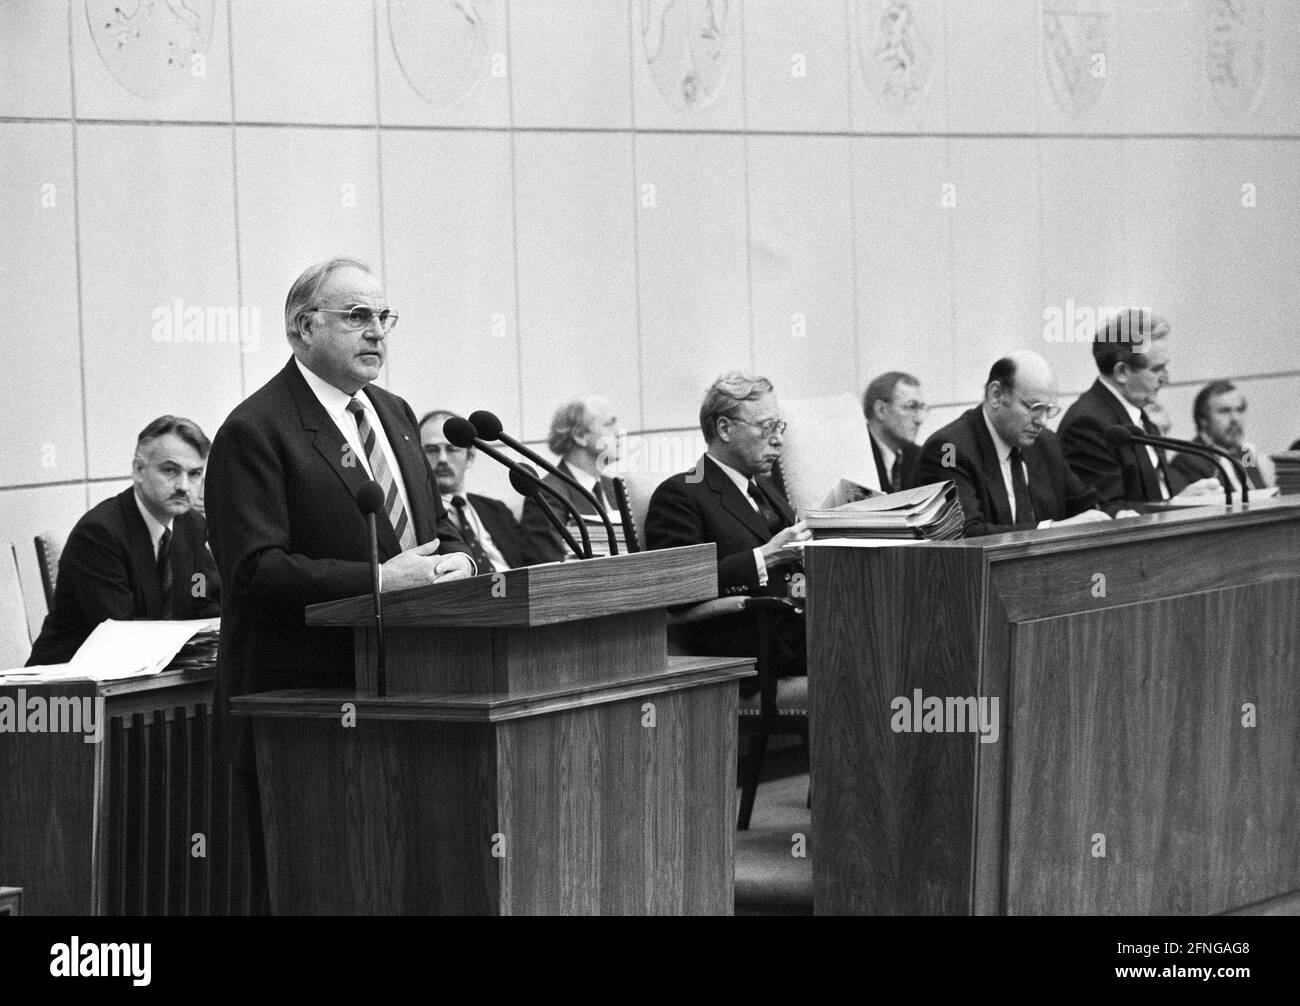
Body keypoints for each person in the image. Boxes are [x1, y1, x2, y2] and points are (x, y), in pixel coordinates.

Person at [205, 258, 474, 910]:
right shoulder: (256, 429)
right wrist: (378, 580)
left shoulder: (396, 411)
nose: (377, 332)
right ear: (302, 329)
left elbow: (438, 528)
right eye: (357, 317)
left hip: (413, 688)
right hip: (306, 706)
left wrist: (461, 561)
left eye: (385, 317)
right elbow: (254, 573)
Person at [643, 371, 810, 694]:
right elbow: (679, 588)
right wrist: (767, 556)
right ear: (724, 428)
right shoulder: (681, 494)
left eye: (780, 427)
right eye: (766, 427)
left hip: (799, 628)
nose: (778, 439)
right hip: (750, 643)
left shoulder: (765, 488)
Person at [27, 416, 221, 665]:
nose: (184, 486)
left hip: (151, 682)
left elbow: (200, 593)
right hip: (66, 691)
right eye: (170, 470)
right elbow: (120, 631)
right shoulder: (99, 534)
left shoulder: (192, 526)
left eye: (194, 474)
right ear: (139, 470)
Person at [916, 351, 1118, 537]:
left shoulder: (1046, 443)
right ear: (996, 395)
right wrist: (1053, 530)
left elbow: (1086, 504)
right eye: (1034, 407)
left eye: (1048, 410)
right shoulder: (947, 449)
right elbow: (964, 534)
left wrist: (1118, 515)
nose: (1042, 421)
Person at [1058, 310, 1218, 507]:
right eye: (1157, 369)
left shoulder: (1140, 417)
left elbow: (1154, 498)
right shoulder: (1088, 424)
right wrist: (1175, 505)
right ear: (1122, 372)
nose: (1166, 379)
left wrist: (1182, 501)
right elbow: (1107, 512)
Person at [418, 409, 526, 570]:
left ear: (470, 457)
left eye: (452, 449)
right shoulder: (417, 518)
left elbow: (533, 564)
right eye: (432, 450)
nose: (442, 459)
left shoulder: (497, 510)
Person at [520, 394, 621, 564]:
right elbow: (551, 566)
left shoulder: (614, 487)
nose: (619, 433)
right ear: (580, 436)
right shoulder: (546, 493)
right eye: (609, 424)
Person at [1169, 380, 1275, 494]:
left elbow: (1263, 497)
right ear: (1203, 420)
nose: (1235, 419)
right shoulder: (1189, 460)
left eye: (1239, 410)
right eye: (1225, 411)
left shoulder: (1245, 454)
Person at [863, 371, 925, 492]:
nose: (919, 419)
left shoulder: (919, 458)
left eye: (921, 408)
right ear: (881, 410)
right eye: (911, 407)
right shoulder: (853, 455)